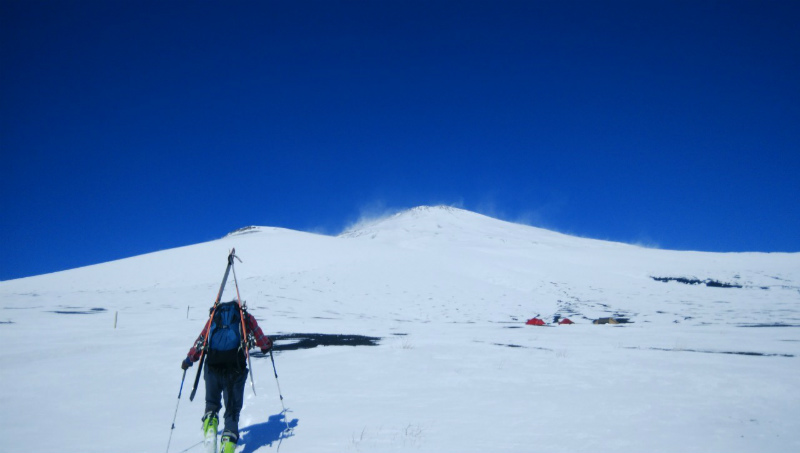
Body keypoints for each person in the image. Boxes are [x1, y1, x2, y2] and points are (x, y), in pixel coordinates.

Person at [181, 300, 273, 453]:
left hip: (212, 367)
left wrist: (188, 360)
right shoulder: (245, 317)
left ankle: (210, 425)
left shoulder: (214, 317)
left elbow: (201, 341)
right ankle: (229, 442)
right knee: (232, 411)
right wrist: (267, 345)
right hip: (235, 370)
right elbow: (261, 340)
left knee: (211, 404)